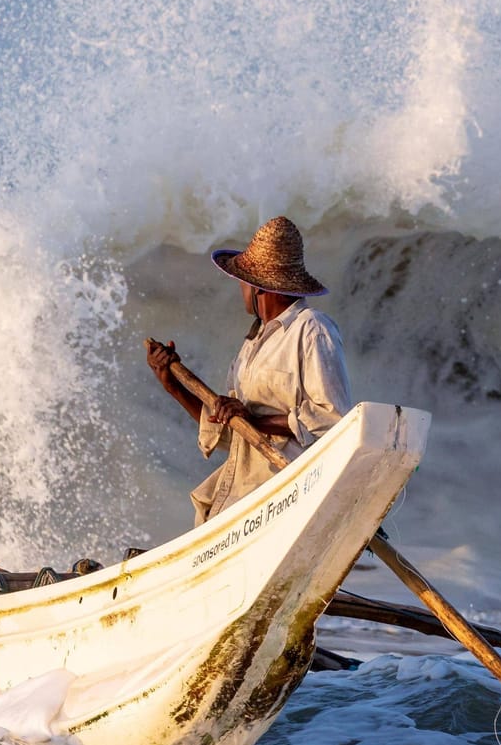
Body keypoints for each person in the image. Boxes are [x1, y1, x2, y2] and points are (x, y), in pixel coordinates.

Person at [146, 216, 352, 525]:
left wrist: (256, 419)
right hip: (238, 498)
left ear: (258, 287)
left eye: (243, 280)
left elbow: (334, 420)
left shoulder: (311, 328)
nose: (240, 288)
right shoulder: (251, 348)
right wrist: (173, 386)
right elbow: (232, 433)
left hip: (283, 494)